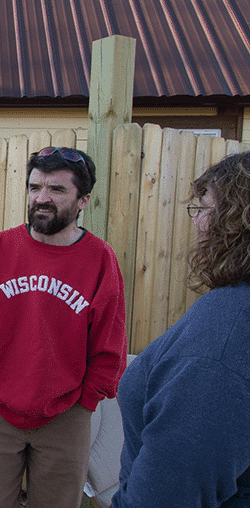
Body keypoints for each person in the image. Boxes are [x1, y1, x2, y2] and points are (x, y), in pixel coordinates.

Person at [0, 146, 127, 508]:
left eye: (57, 190)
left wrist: (87, 401)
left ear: (83, 200)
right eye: (34, 188)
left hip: (68, 413)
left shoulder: (100, 260)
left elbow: (110, 342)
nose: (41, 199)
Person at [113, 152, 250, 508]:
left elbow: (166, 493)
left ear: (235, 222)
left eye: (203, 208)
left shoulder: (225, 333)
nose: (196, 222)